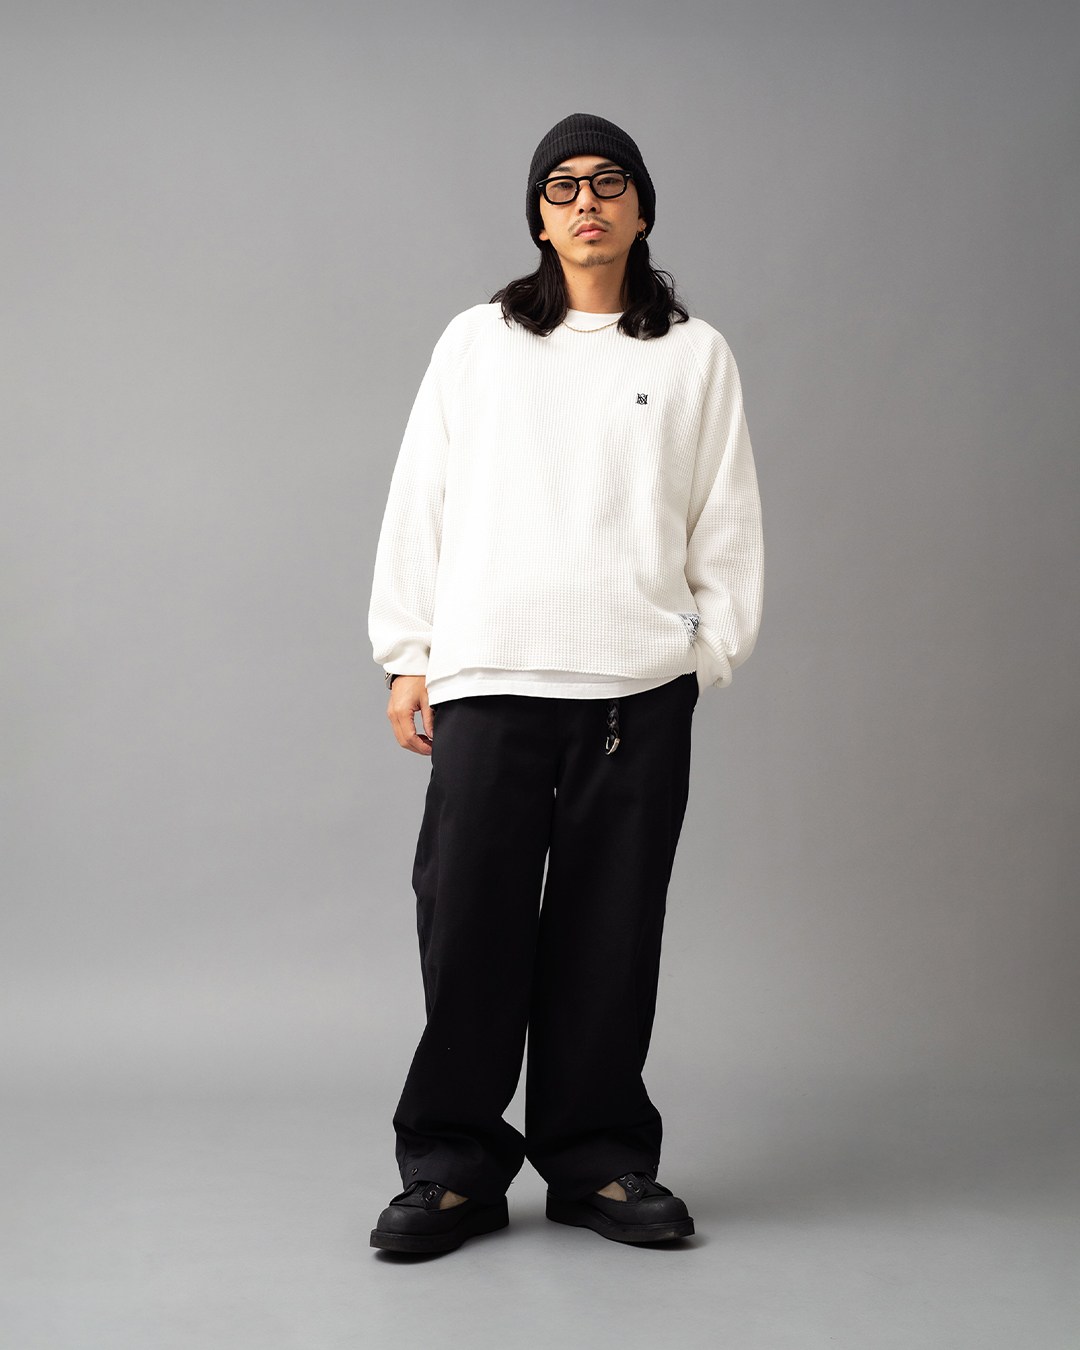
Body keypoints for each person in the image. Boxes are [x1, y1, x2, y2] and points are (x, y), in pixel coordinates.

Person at [367, 113, 763, 1253]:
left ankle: (597, 1162)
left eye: (609, 182)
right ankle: (451, 1166)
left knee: (612, 931)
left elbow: (725, 516)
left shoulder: (692, 353)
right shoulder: (477, 342)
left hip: (636, 691)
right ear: (539, 218)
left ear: (641, 209)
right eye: (562, 187)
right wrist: (409, 653)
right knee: (469, 925)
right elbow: (422, 496)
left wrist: (702, 651)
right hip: (492, 675)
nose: (586, 202)